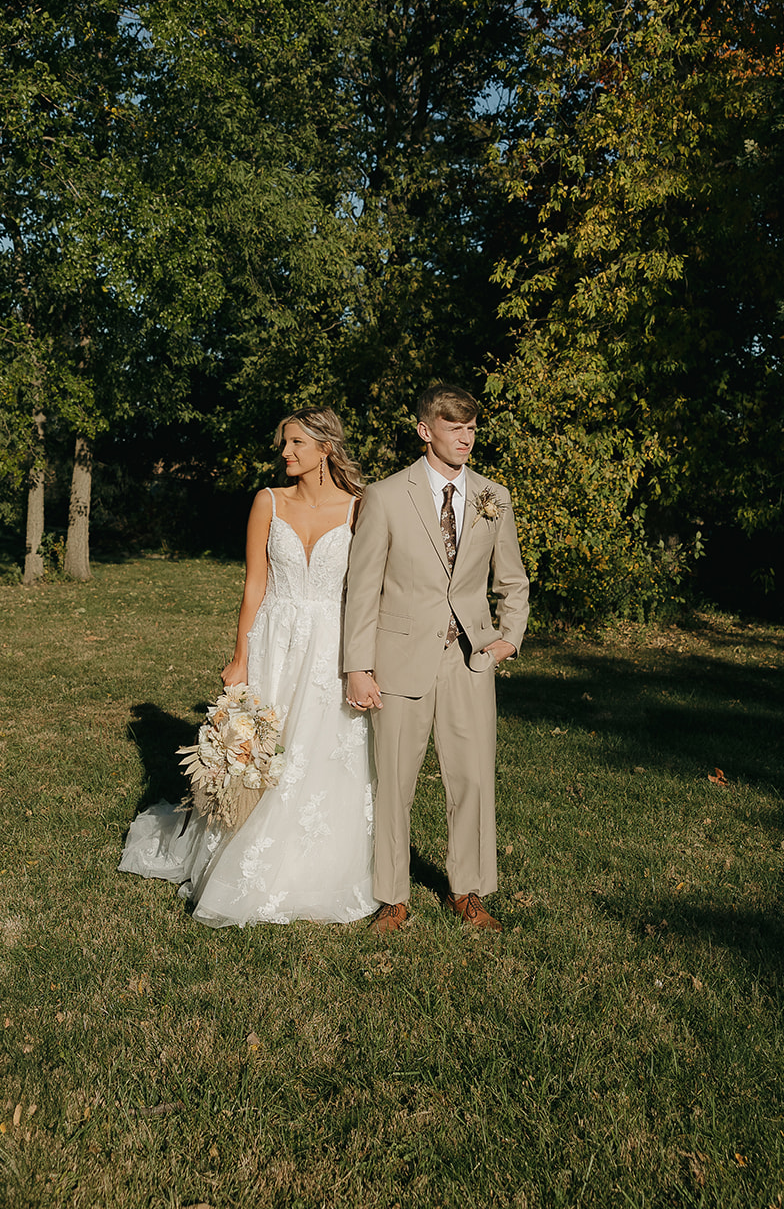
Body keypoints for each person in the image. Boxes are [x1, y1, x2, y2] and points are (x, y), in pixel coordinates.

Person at [119, 407, 374, 926]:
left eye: (296, 443)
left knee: (319, 747)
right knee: (258, 750)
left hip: (332, 644)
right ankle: (236, 852)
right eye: (284, 443)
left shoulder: (359, 508)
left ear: (325, 448)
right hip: (274, 642)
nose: (285, 452)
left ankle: (312, 867)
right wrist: (241, 657)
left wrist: (362, 660)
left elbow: (367, 589)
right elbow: (254, 584)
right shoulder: (268, 501)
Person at [343, 384, 530, 935]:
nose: (466, 438)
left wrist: (510, 637)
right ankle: (392, 898)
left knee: (473, 779)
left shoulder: (494, 496)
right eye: (454, 428)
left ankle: (467, 891)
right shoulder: (385, 496)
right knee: (395, 782)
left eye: (471, 428)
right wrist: (358, 666)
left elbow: (512, 579)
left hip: (470, 660)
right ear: (426, 430)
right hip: (399, 658)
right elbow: (362, 587)